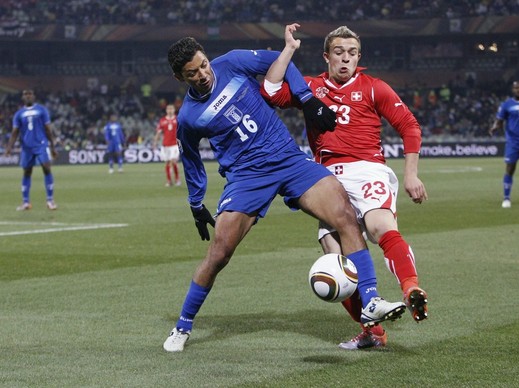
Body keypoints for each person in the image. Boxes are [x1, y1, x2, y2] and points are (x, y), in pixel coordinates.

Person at [162, 35, 407, 352]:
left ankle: (371, 299)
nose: (203, 74)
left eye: (204, 65)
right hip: (247, 177)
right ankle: (182, 326)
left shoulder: (234, 61)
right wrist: (196, 203)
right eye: (192, 73)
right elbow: (191, 161)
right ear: (180, 77)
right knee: (219, 254)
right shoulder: (188, 118)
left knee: (344, 214)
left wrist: (306, 98)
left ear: (207, 58)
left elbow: (280, 60)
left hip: (289, 160)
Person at [262, 24, 429, 350]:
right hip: (327, 179)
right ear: (326, 56)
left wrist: (411, 175)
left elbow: (408, 125)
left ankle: (411, 288)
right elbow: (270, 92)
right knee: (334, 262)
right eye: (338, 52)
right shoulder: (309, 86)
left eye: (351, 53)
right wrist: (288, 50)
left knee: (380, 226)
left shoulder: (373, 88)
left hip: (367, 170)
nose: (345, 59)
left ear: (359, 57)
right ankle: (372, 331)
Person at [5, 89, 58, 211]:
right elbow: (15, 132)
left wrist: (53, 146)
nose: (28, 96)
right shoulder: (18, 114)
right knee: (27, 172)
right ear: (23, 97)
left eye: (30, 94)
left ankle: (50, 200)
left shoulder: (41, 110)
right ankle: (26, 202)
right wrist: (9, 147)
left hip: (41, 145)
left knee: (46, 168)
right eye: (25, 94)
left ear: (34, 96)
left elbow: (48, 129)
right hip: (27, 147)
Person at [152, 104, 181, 186]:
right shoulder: (162, 120)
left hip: (175, 144)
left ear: (174, 110)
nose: (170, 110)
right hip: (165, 145)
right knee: (168, 163)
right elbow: (158, 133)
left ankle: (177, 179)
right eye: (168, 109)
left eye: (171, 108)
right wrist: (155, 142)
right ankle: (169, 181)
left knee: (173, 160)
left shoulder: (178, 119)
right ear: (166, 110)